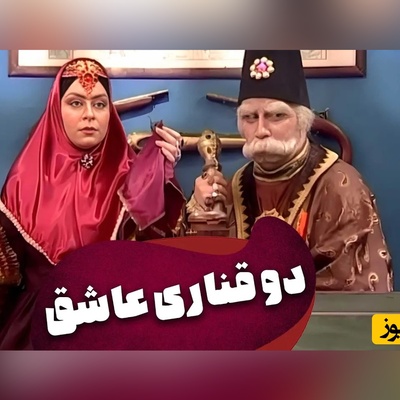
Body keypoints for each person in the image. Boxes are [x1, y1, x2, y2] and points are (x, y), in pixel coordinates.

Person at [0, 57, 186, 349]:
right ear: (56, 109)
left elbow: (159, 263)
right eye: (76, 103)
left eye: (99, 104)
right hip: (40, 327)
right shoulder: (24, 180)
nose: (89, 115)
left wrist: (162, 177)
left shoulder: (134, 177)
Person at [188, 50, 394, 292]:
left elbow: (357, 289)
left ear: (302, 122)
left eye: (276, 116)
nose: (261, 130)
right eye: (250, 117)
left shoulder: (341, 187)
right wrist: (199, 211)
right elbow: (203, 275)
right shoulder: (233, 187)